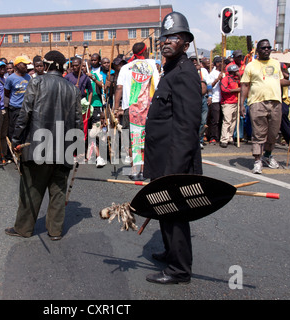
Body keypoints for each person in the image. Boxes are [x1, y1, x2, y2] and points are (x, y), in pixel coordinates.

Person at [144, 12, 202, 285]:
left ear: (186, 43)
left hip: (173, 163)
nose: (166, 42)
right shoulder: (171, 70)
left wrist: (174, 171)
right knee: (165, 211)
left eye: (173, 37)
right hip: (162, 158)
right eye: (164, 38)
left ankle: (179, 270)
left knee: (175, 214)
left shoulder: (185, 74)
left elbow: (187, 127)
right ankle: (170, 252)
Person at [5, 50, 82, 241]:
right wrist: (77, 148)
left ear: (47, 65)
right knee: (58, 191)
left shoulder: (37, 82)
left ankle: (24, 228)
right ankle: (55, 231)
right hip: (63, 148)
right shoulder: (73, 88)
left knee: (31, 188)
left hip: (37, 145)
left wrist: (16, 139)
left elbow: (25, 114)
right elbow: (78, 121)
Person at [240, 39, 290, 174]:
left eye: (268, 48)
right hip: (257, 102)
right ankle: (257, 160)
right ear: (258, 50)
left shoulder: (275, 64)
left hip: (275, 102)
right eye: (263, 48)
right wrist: (242, 103)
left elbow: (280, 80)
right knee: (258, 133)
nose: (267, 50)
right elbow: (244, 85)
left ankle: (267, 155)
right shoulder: (251, 65)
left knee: (273, 133)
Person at [113, 42, 159, 180]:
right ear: (145, 52)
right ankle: (143, 170)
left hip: (129, 109)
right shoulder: (152, 66)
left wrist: (116, 108)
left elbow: (119, 88)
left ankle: (134, 170)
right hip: (147, 109)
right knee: (144, 140)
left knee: (132, 140)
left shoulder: (126, 67)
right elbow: (157, 86)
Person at [4, 56, 32, 141]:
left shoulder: (28, 77)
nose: (26, 67)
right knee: (15, 130)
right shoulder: (10, 78)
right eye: (24, 65)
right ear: (17, 66)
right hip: (15, 108)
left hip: (26, 108)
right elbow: (7, 93)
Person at [219, 63, 241, 148]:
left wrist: (239, 77)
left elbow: (242, 85)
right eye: (236, 71)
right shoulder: (225, 79)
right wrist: (235, 90)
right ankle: (224, 139)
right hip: (227, 103)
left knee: (233, 121)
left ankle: (229, 137)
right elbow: (224, 89)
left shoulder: (236, 79)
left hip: (235, 102)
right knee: (227, 121)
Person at [207, 56, 223, 144]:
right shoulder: (212, 74)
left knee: (221, 119)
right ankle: (212, 137)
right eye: (220, 62)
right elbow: (210, 86)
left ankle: (219, 136)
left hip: (223, 99)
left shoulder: (223, 72)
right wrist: (217, 79)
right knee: (215, 120)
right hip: (215, 98)